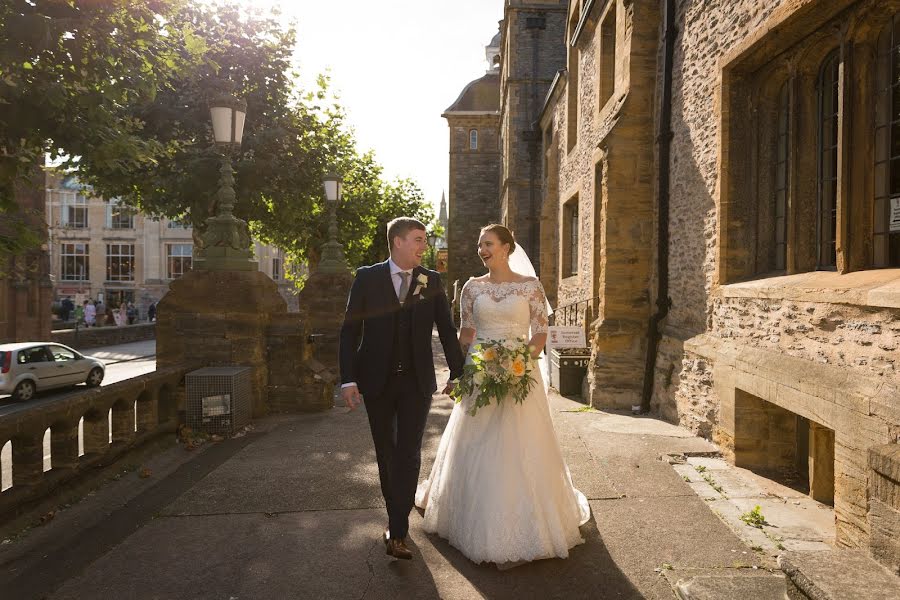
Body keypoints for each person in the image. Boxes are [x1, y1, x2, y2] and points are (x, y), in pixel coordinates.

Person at [415, 224, 590, 567]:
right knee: (477, 442)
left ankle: (529, 523)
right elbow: (466, 334)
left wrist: (519, 363)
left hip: (521, 373)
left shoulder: (530, 287)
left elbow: (540, 332)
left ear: (507, 247)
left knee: (520, 443)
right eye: (480, 244)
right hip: (480, 371)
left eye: (489, 244)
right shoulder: (471, 287)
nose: (482, 249)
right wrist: (458, 371)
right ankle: (473, 520)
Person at [339, 217, 465, 561]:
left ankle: (397, 531)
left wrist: (459, 373)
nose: (423, 246)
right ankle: (396, 524)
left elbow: (447, 329)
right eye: (418, 240)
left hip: (416, 382)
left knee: (408, 453)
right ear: (397, 242)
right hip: (376, 382)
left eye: (423, 240)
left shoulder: (431, 280)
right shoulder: (367, 277)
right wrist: (347, 379)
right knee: (387, 451)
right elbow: (350, 330)